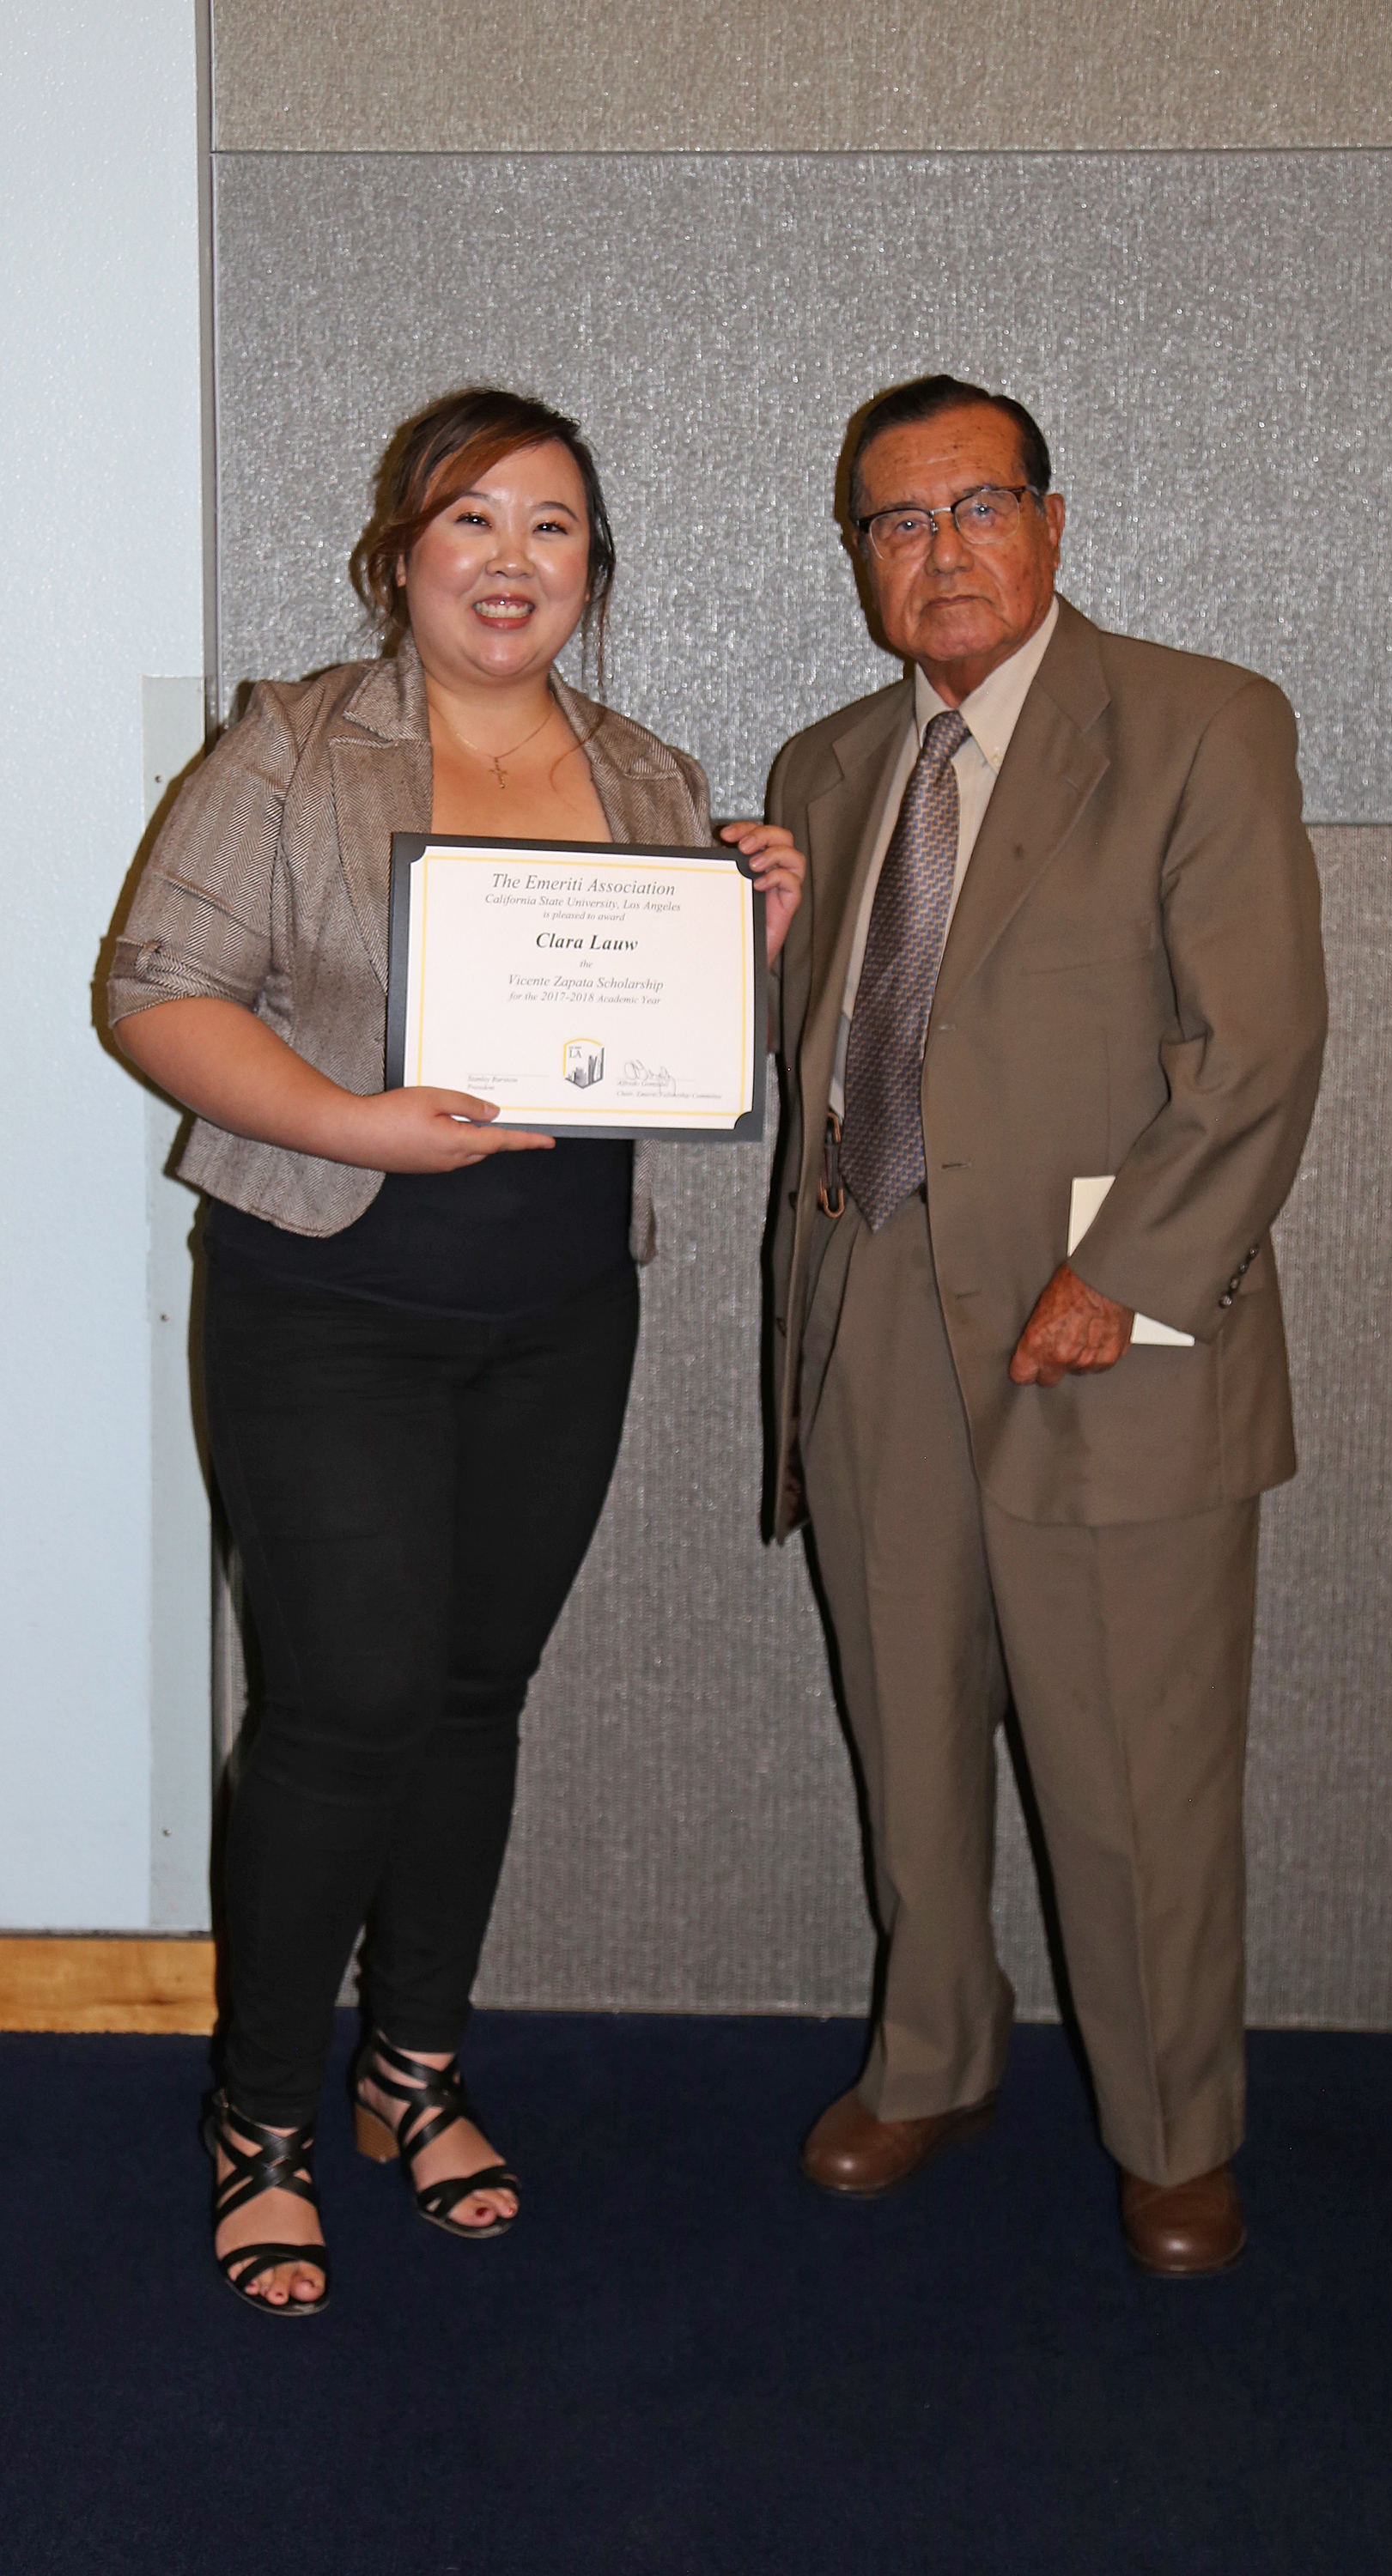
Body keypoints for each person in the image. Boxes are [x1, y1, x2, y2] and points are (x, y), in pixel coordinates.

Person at [110, 386, 803, 2313]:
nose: (510, 561)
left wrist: (757, 934)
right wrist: (356, 1120)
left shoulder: (656, 778)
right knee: (340, 1708)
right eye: (470, 520)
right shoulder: (288, 751)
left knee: (474, 1694)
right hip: (324, 1297)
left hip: (559, 1312)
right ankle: (259, 2117)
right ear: (399, 552)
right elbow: (153, 990)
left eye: (553, 528)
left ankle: (415, 2069)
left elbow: (677, 1062)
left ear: (593, 568)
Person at [763, 373, 1326, 2273]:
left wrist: (1126, 1279)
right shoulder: (827, 769)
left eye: (974, 508)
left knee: (1134, 1765)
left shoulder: (1194, 723)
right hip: (869, 1329)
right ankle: (930, 2056)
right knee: (903, 1733)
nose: (938, 553)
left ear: (1052, 522)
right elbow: (837, 1055)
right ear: (857, 560)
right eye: (894, 524)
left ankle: (1173, 2126)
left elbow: (1256, 1056)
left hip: (1104, 1334)